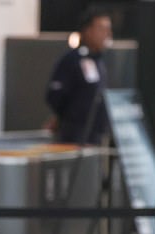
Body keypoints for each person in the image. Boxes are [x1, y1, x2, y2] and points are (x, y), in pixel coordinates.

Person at [45, 5, 113, 145]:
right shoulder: (73, 59)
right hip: (74, 137)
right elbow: (55, 96)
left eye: (108, 29)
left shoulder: (99, 61)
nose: (107, 34)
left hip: (95, 137)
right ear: (88, 31)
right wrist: (67, 118)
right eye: (101, 29)